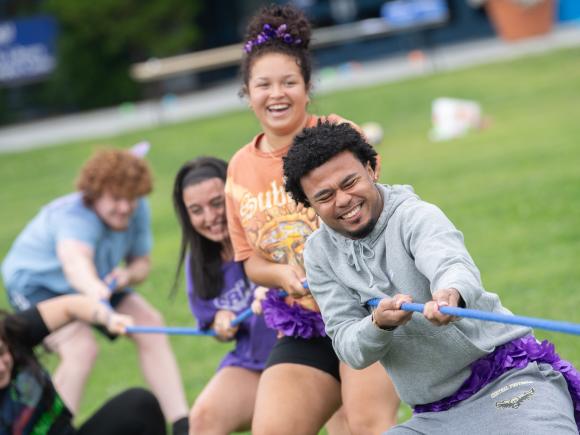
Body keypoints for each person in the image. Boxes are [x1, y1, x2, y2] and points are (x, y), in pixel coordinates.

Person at [282, 120, 580, 434]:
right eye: (325, 196)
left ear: (372, 169)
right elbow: (348, 346)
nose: (343, 200)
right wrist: (378, 324)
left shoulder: (415, 215)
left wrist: (449, 293)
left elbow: (450, 263)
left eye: (350, 182)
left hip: (507, 379)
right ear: (308, 205)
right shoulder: (319, 254)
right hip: (434, 416)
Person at [224, 4, 399, 434]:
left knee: (365, 425)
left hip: (366, 310)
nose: (276, 94)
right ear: (248, 91)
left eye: (289, 82)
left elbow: (382, 217)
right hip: (304, 325)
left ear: (307, 87)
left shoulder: (338, 134)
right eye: (263, 84)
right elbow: (250, 261)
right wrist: (283, 275)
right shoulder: (238, 170)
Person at [1, 149, 189, 435]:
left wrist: (126, 275)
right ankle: (51, 430)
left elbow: (141, 263)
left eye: (132, 198)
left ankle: (183, 424)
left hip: (99, 279)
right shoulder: (75, 217)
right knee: (81, 348)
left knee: (148, 322)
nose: (125, 207)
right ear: (94, 195)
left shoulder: (135, 208)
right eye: (116, 199)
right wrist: (97, 298)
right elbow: (76, 264)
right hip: (39, 284)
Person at [172, 157, 277, 434]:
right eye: (196, 210)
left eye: (217, 203)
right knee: (203, 420)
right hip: (253, 363)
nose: (209, 217)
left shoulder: (268, 231)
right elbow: (215, 326)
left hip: (303, 350)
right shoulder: (199, 263)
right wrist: (221, 322)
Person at [0, 293, 166, 434]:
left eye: (1, 352)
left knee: (139, 405)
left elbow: (70, 307)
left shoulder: (13, 333)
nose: (1, 367)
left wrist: (108, 318)